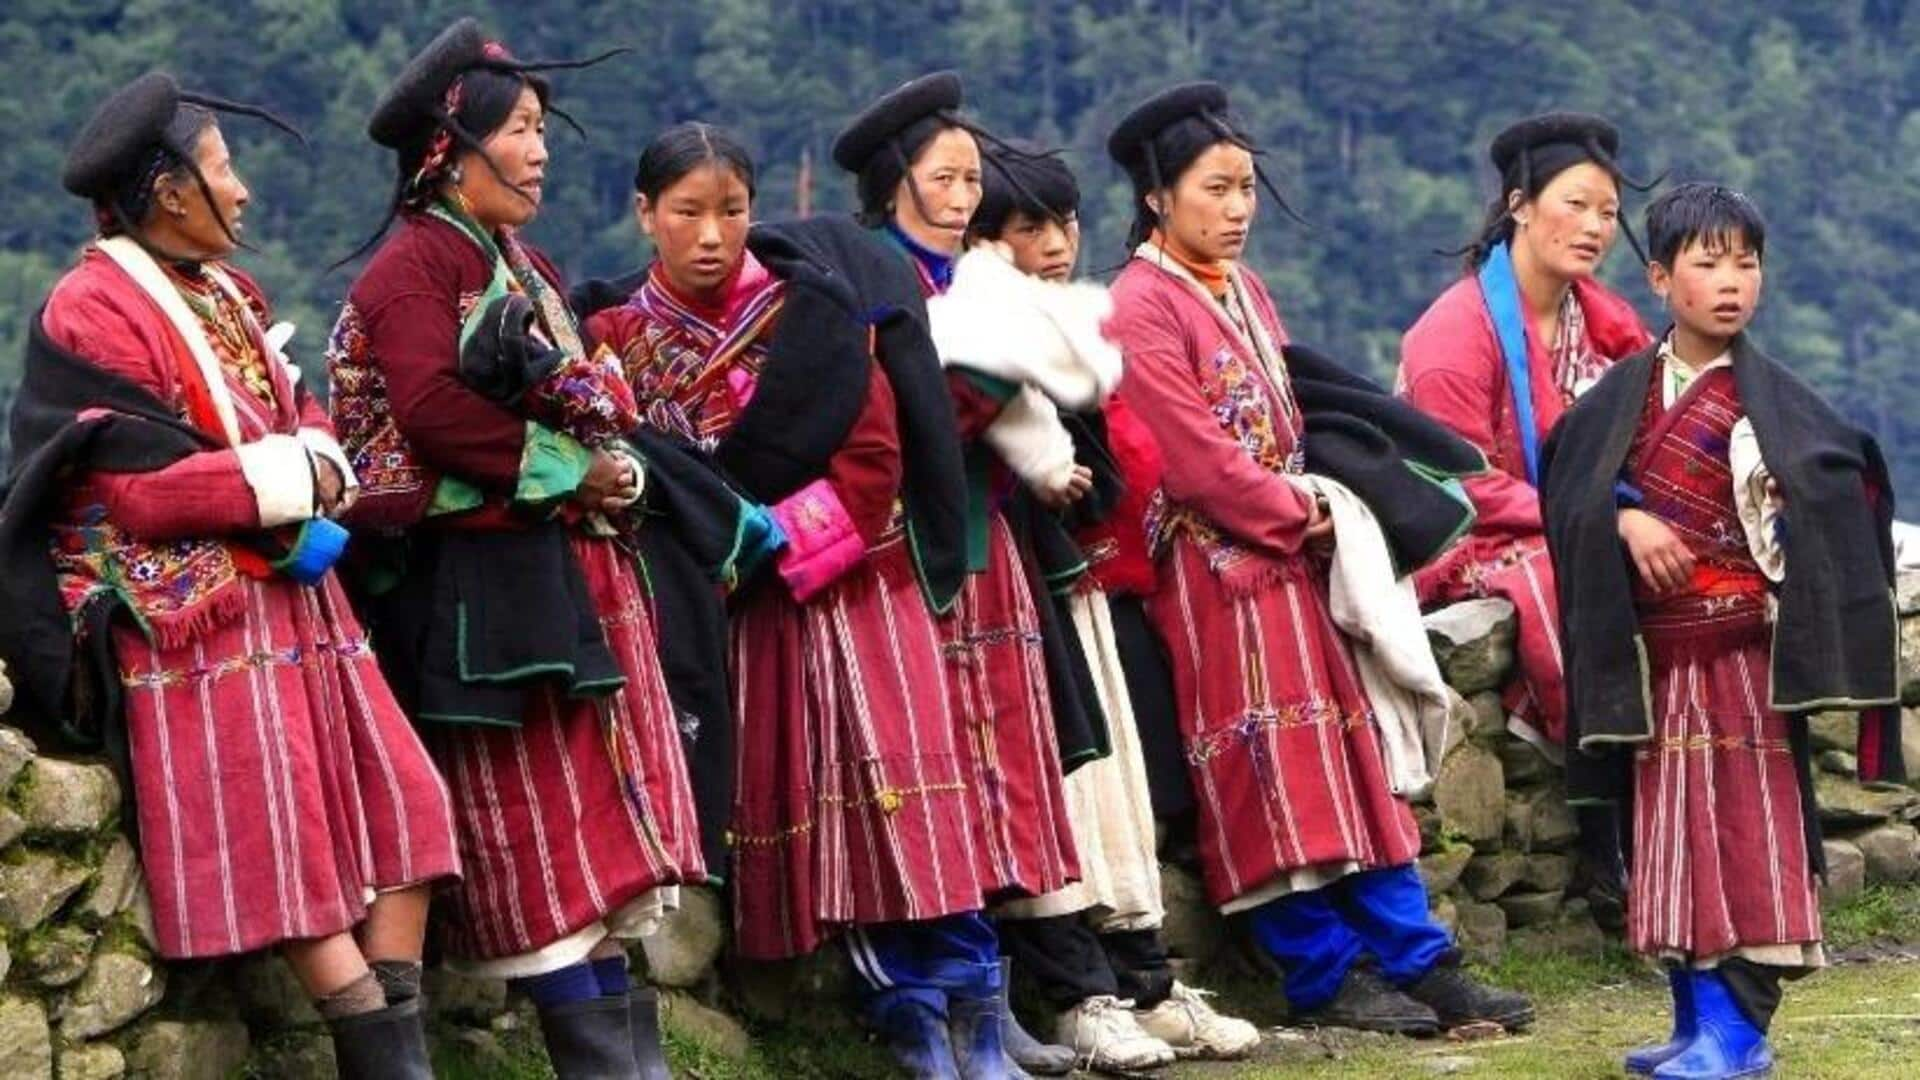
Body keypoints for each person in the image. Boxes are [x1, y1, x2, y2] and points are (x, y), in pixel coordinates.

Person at [0, 72, 459, 1077]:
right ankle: (384, 1056)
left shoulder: (232, 294)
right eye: (223, 170)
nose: (242, 191)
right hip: (194, 618)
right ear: (170, 191)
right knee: (279, 840)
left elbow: (301, 407)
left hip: (292, 591)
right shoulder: (92, 308)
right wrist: (300, 473)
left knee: (410, 805)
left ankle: (396, 1036)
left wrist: (314, 458)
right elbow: (139, 493)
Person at [1103, 82, 1532, 1037]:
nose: (1238, 209)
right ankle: (1322, 971)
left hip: (1293, 564)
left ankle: (1420, 958)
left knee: (1349, 758)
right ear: (1158, 197)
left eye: (1246, 188)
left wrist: (1313, 521)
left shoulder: (1243, 292)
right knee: (1262, 770)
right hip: (1217, 578)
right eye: (1216, 189)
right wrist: (1302, 518)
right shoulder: (1140, 306)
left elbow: (1281, 426)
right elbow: (1193, 459)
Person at [583, 120, 1008, 1080]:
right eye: (687, 213)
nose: (711, 235)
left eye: (731, 211)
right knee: (826, 810)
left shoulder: (811, 315)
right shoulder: (607, 340)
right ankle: (901, 1013)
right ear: (644, 214)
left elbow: (870, 462)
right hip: (730, 620)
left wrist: (770, 544)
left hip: (846, 590)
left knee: (915, 798)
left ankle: (976, 1007)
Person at [327, 19, 704, 1077]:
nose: (541, 151)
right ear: (452, 149)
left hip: (545, 579)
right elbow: (435, 411)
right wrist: (573, 469)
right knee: (542, 835)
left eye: (542, 127)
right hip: (474, 598)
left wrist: (612, 459)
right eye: (523, 130)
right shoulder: (417, 268)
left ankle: (629, 1062)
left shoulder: (507, 259)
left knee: (592, 839)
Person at [1542, 183, 1904, 1080]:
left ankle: (1737, 1033)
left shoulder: (1779, 405)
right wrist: (1625, 518)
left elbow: (1845, 488)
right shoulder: (1618, 398)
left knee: (1742, 839)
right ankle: (1689, 1018)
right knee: (1670, 840)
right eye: (1708, 263)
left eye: (1747, 262)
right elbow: (1570, 487)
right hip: (1656, 666)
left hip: (1743, 658)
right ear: (1662, 277)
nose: (1732, 281)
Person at [955, 144, 1260, 1070]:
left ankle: (1145, 982)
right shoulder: (979, 340)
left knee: (1116, 794)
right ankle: (1084, 995)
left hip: (1091, 590)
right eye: (1028, 228)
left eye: (1066, 222)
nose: (1055, 245)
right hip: (1019, 595)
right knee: (1066, 801)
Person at [832, 72, 1097, 1080]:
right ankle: (917, 1000)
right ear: (895, 183)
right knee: (921, 776)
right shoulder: (869, 283)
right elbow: (902, 418)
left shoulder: (965, 281)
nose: (962, 195)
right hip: (908, 565)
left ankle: (982, 995)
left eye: (969, 177)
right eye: (943, 177)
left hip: (985, 558)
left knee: (989, 776)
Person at [1397, 113, 1654, 923]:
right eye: (1575, 204)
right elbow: (1453, 479)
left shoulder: (1607, 326)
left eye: (1608, 212)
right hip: (1470, 535)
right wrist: (1590, 516)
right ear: (1519, 205)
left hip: (1577, 520)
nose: (1593, 227)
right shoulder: (1455, 333)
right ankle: (1609, 829)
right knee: (1558, 582)